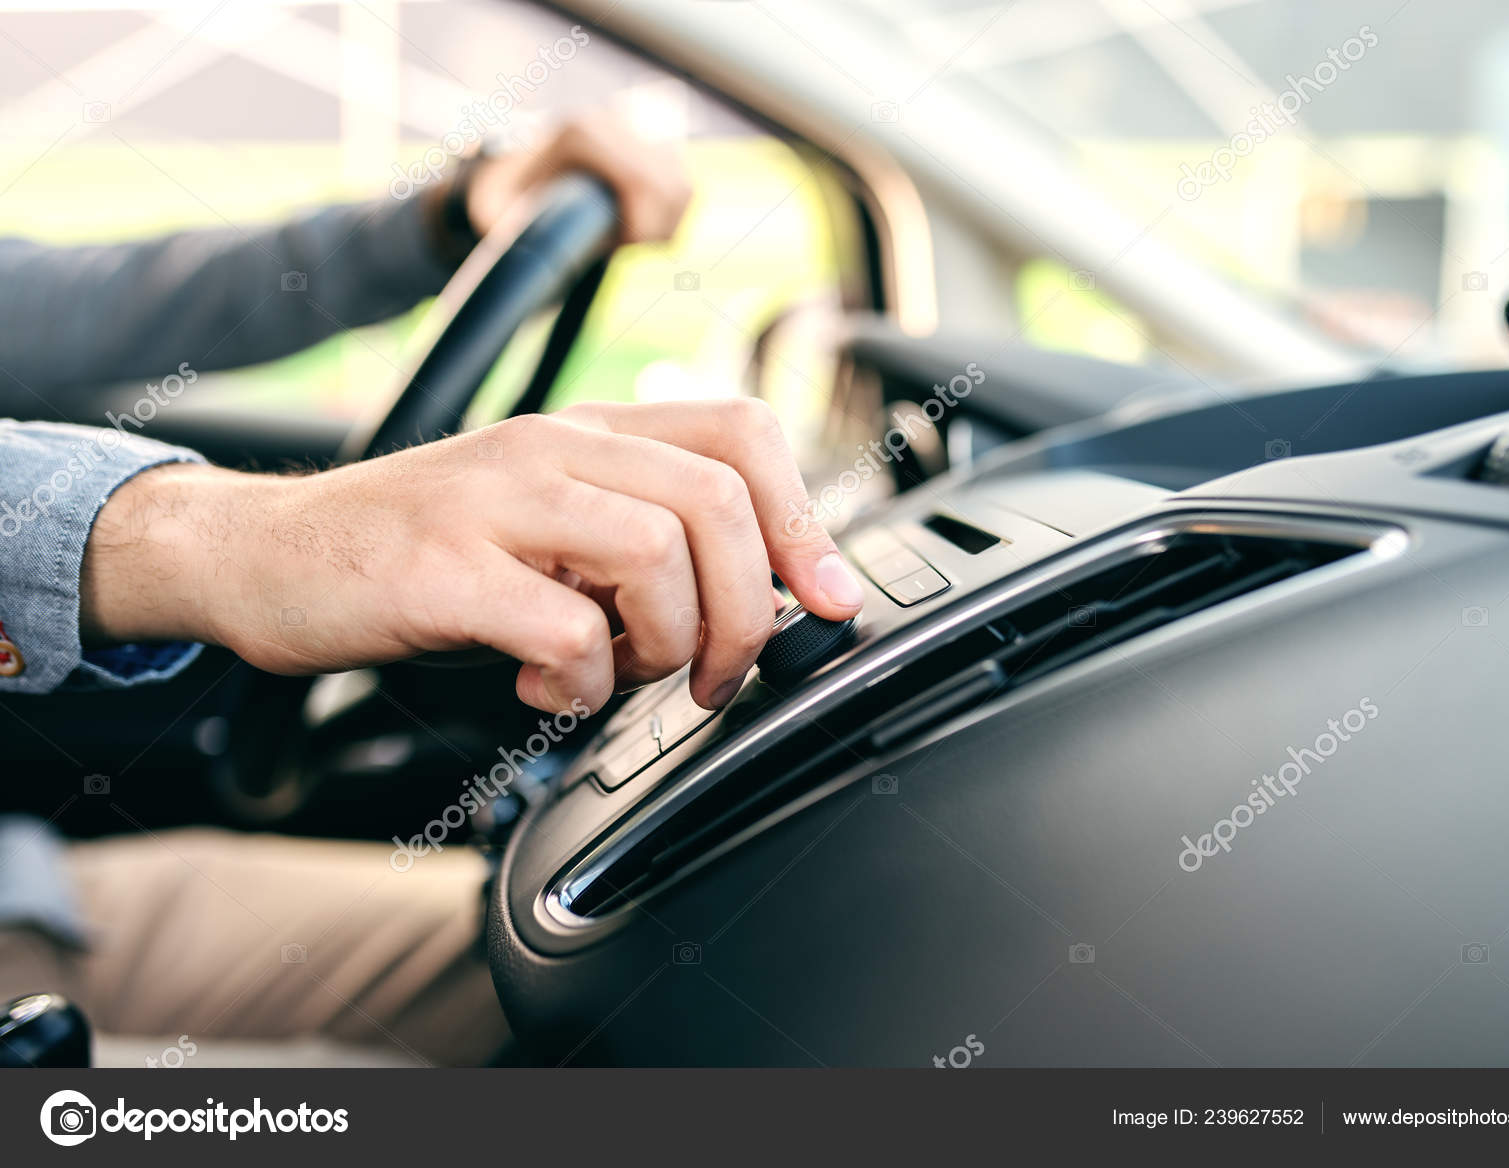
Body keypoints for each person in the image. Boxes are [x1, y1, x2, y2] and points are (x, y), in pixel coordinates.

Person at [0, 112, 864, 1066]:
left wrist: (451, 216)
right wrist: (225, 540)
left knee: (633, 966)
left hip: (26, 893)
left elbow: (89, 304)